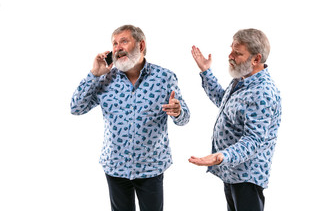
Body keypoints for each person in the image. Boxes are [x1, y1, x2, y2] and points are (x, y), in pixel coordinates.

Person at [70, 25, 190, 211]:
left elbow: (184, 119)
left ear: (141, 45)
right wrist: (94, 74)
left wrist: (178, 112)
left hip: (151, 167)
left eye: (124, 41)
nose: (117, 48)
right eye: (114, 43)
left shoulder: (164, 77)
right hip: (115, 166)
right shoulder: (104, 79)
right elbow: (76, 108)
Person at [189, 28, 281, 211]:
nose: (230, 56)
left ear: (256, 59)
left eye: (237, 53)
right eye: (231, 49)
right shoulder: (243, 79)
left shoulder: (262, 92)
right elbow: (224, 103)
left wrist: (222, 156)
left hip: (247, 175)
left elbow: (253, 140)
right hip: (232, 170)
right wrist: (206, 71)